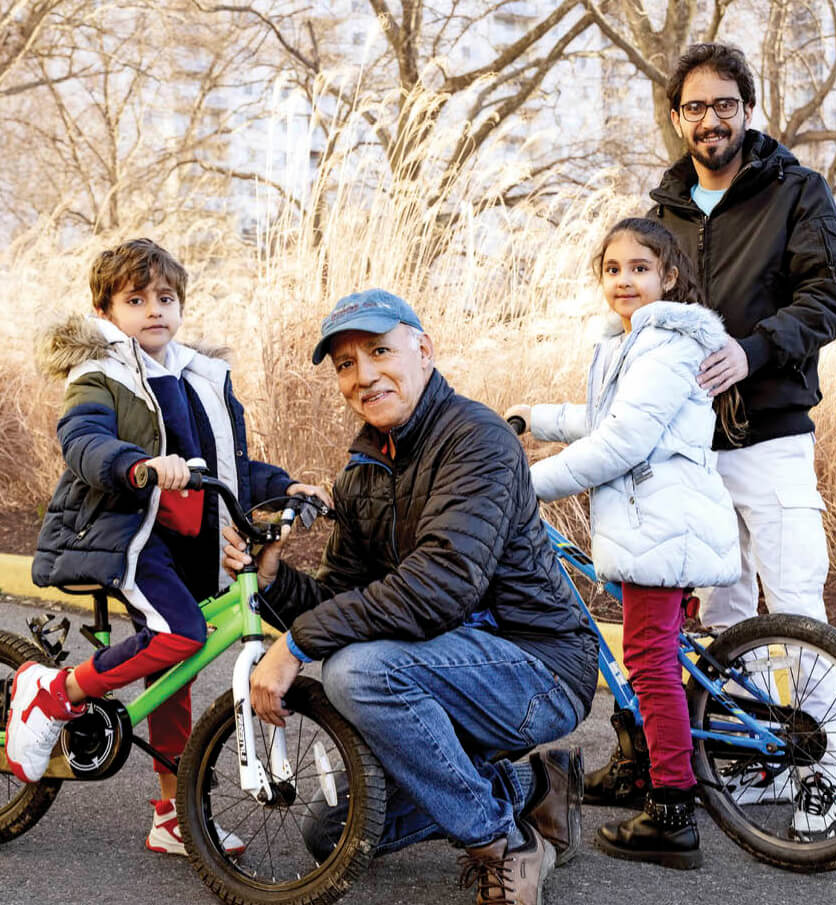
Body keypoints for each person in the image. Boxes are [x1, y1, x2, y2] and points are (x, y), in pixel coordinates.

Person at [221, 288, 599, 905]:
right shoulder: (362, 473)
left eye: (378, 351)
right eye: (346, 365)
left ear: (422, 349)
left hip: (539, 667)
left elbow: (441, 585)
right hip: (446, 666)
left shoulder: (477, 441)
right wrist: (272, 582)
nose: (364, 376)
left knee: (357, 672)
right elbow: (342, 596)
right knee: (333, 833)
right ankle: (533, 787)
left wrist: (294, 645)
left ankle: (502, 844)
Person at [585, 42, 836, 840]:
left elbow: (831, 292)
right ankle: (753, 759)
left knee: (796, 596)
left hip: (770, 432)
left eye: (726, 104)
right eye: (696, 107)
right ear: (677, 117)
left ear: (748, 108)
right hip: (688, 449)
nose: (711, 120)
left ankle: (819, 775)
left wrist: (756, 348)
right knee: (724, 606)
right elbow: (640, 311)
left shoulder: (795, 190)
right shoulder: (662, 209)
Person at [6, 238, 319, 856]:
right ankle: (51, 692)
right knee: (182, 637)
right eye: (136, 298)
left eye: (166, 297)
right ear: (106, 309)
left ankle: (172, 815)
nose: (154, 309)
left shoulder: (200, 377)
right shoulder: (101, 374)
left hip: (186, 544)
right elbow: (83, 440)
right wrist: (140, 465)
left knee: (181, 669)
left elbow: (228, 468)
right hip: (126, 535)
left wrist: (285, 485)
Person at [505, 217, 740, 870]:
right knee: (650, 649)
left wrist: (528, 485)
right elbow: (605, 416)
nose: (624, 279)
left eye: (640, 267)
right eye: (612, 268)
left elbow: (621, 443)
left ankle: (671, 810)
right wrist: (534, 417)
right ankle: (640, 764)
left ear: (669, 276)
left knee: (647, 656)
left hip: (664, 523)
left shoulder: (666, 344)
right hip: (652, 521)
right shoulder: (629, 343)